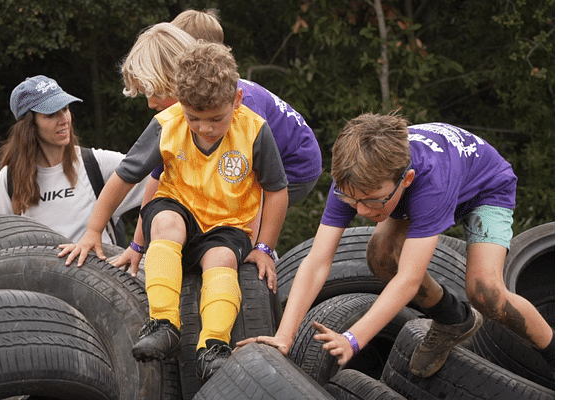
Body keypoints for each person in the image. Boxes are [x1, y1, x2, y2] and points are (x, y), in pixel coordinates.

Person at [237, 113, 555, 378]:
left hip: (484, 189)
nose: (361, 212)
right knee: (380, 258)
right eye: (353, 201)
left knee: (486, 291)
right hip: (410, 192)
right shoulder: (355, 180)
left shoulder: (430, 184)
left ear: (406, 179)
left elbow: (409, 279)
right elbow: (318, 261)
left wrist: (353, 338)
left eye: (370, 201)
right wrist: (285, 335)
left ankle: (558, 356)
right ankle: (453, 319)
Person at [59, 41, 289, 381]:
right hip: (178, 210)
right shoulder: (167, 124)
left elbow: (277, 190)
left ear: (236, 102)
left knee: (223, 260)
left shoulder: (254, 131)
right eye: (194, 118)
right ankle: (164, 324)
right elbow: (125, 177)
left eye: (216, 119)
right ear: (181, 104)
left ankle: (213, 347)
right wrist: (95, 230)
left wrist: (264, 247)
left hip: (227, 225)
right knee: (165, 221)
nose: (205, 128)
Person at [112, 22, 322, 275]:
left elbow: (254, 189)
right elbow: (160, 177)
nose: (150, 103)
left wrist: (258, 248)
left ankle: (259, 258)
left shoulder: (239, 110)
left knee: (235, 224)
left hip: (295, 165)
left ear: (176, 80)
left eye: (155, 92)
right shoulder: (187, 119)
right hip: (254, 164)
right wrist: (138, 243)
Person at [0, 75, 147, 245]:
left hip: (102, 270)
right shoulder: (11, 178)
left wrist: (138, 245)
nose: (64, 119)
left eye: (65, 108)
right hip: (39, 272)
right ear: (30, 126)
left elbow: (162, 179)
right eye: (51, 114)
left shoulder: (96, 164)